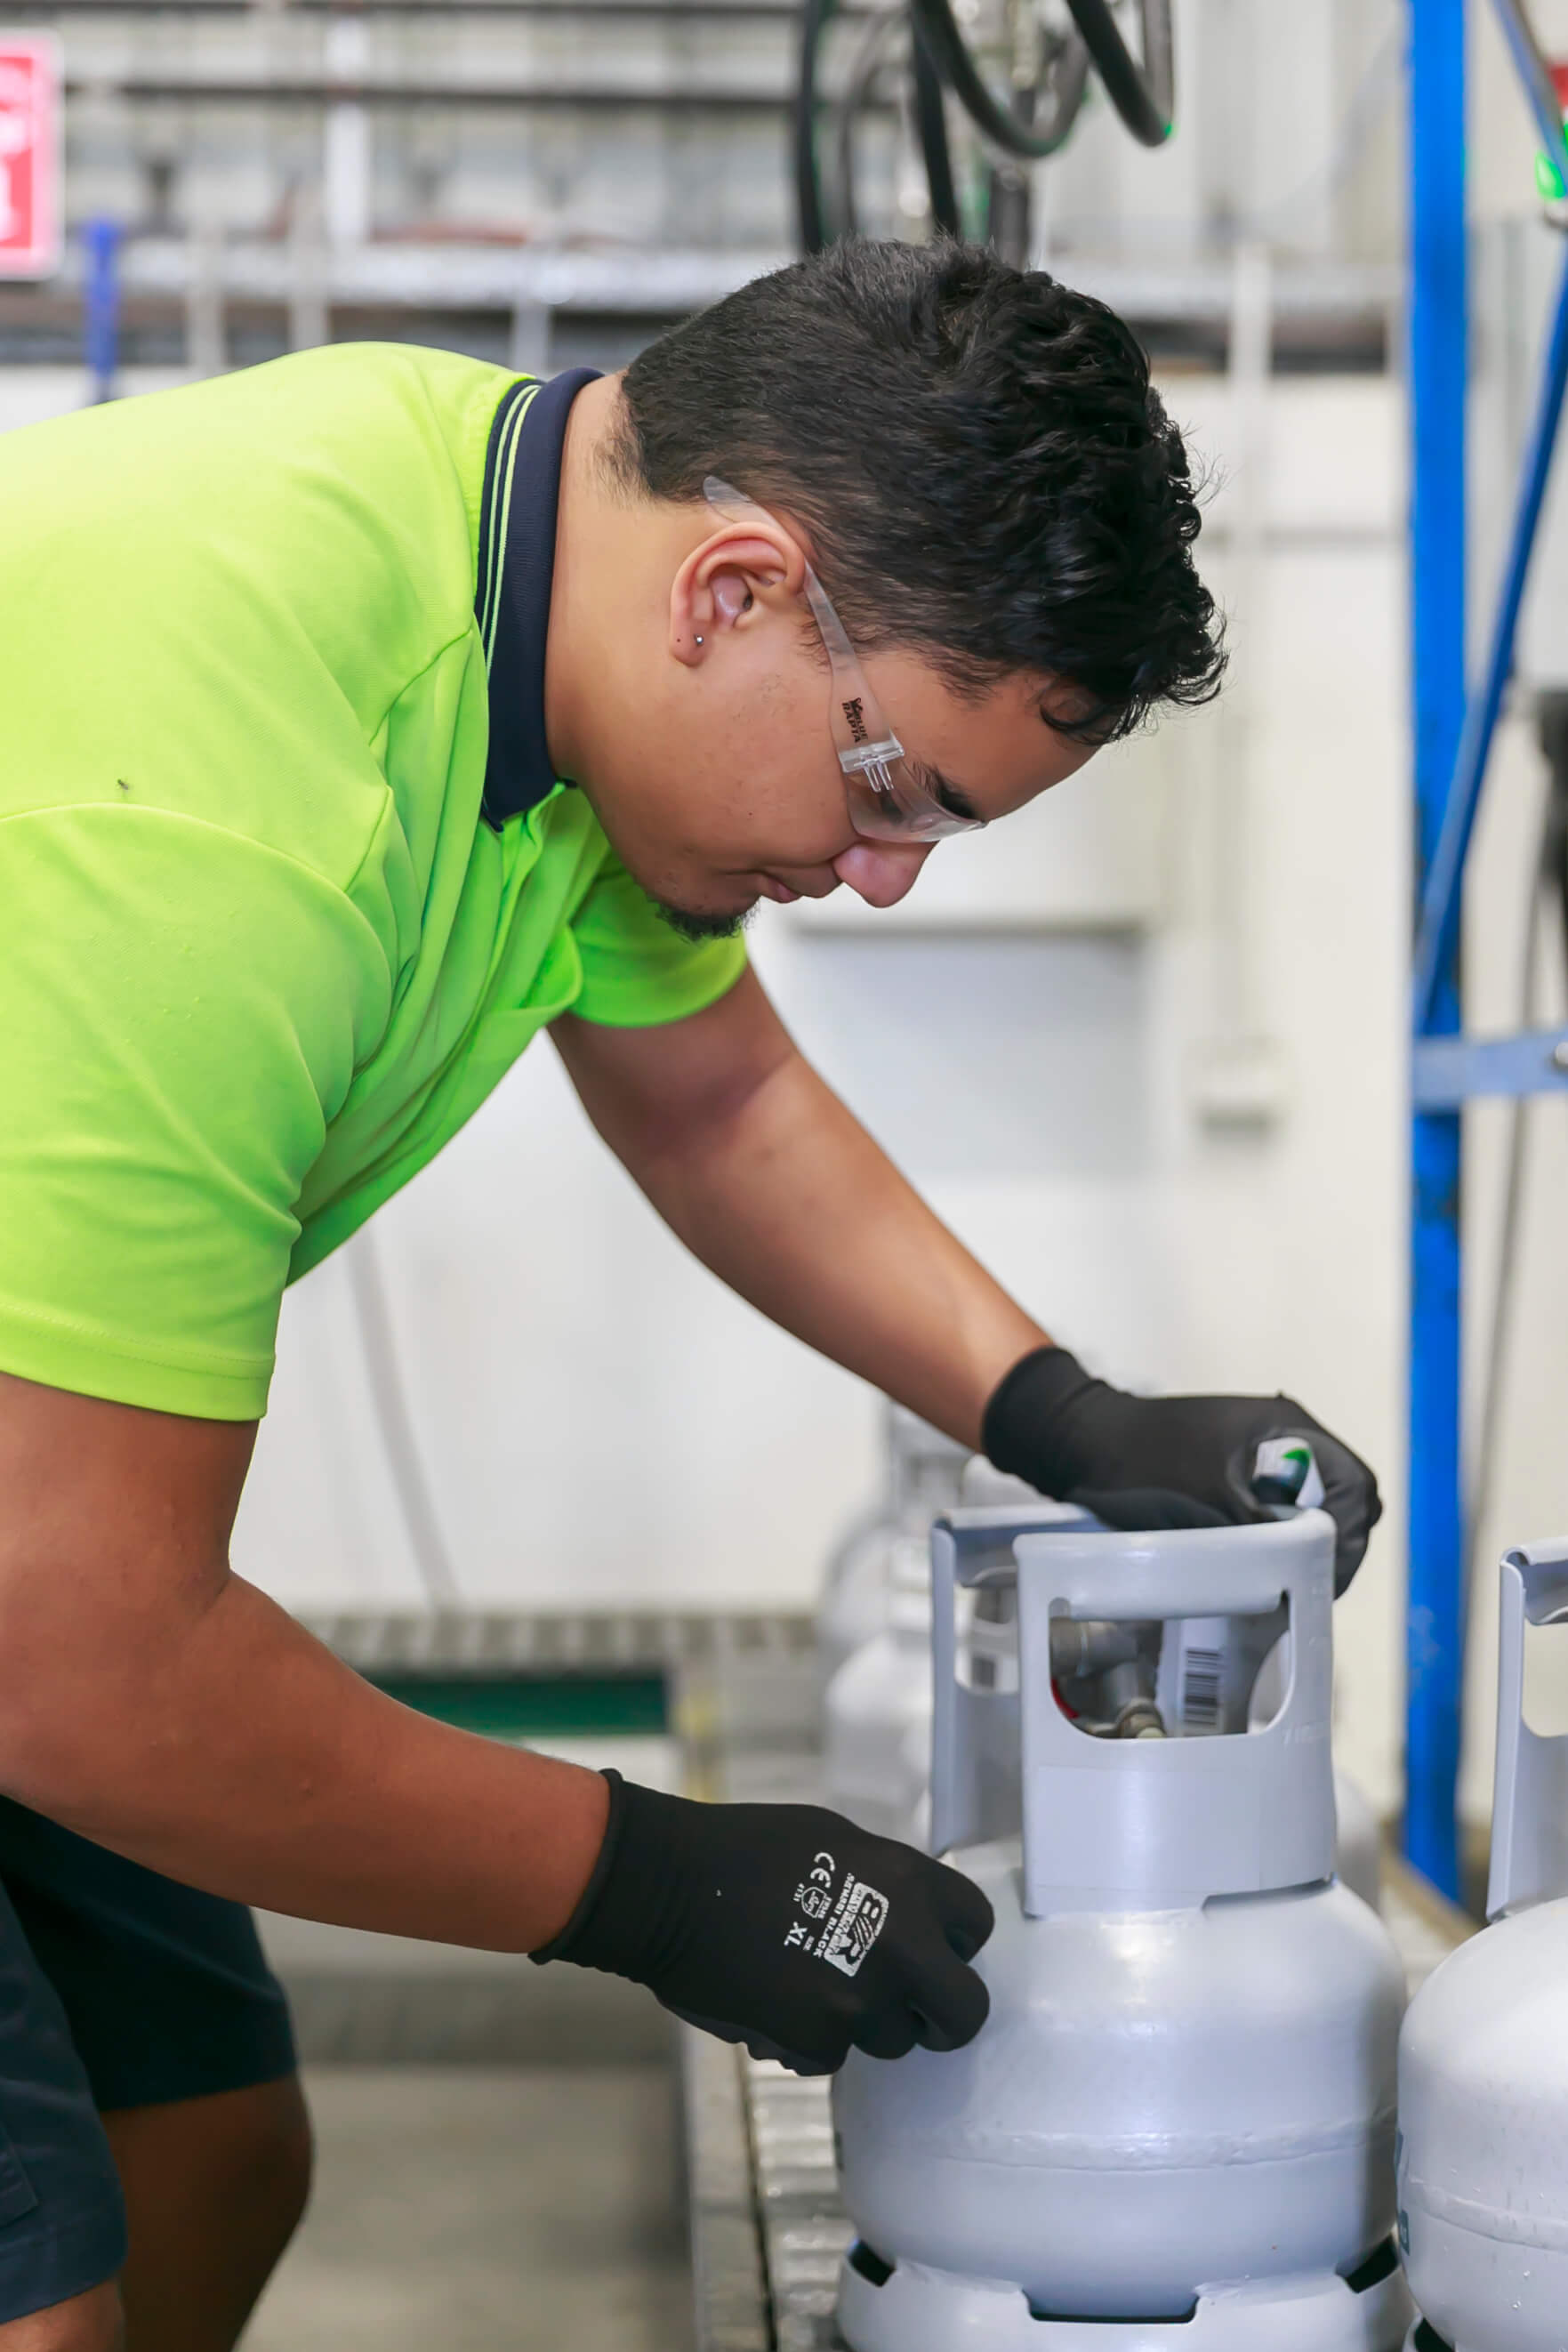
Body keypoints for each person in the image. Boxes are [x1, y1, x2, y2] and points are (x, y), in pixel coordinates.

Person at [0, 237, 1378, 2348]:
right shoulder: (233, 801)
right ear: (733, 590)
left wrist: (1062, 1413)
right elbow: (77, 1656)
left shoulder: (515, 572)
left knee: (213, 2138)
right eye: (894, 783)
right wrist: (653, 1881)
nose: (890, 871)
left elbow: (715, 1095)